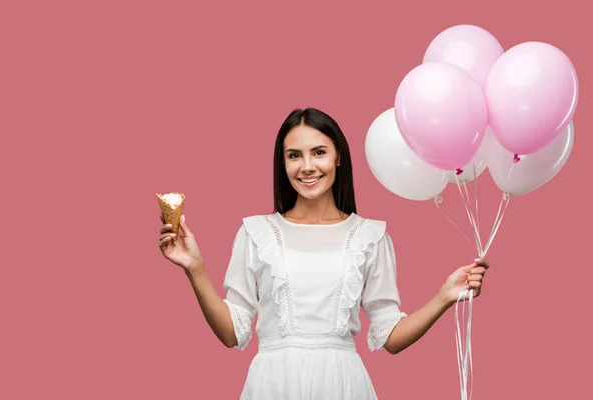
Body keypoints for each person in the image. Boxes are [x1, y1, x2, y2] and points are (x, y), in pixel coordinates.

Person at [158, 107, 489, 399]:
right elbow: (233, 332)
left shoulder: (369, 236)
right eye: (294, 155)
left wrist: (444, 297)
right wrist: (195, 267)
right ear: (282, 162)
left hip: (343, 383)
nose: (307, 166)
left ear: (338, 157)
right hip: (273, 385)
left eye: (318, 152)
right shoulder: (256, 233)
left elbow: (389, 334)